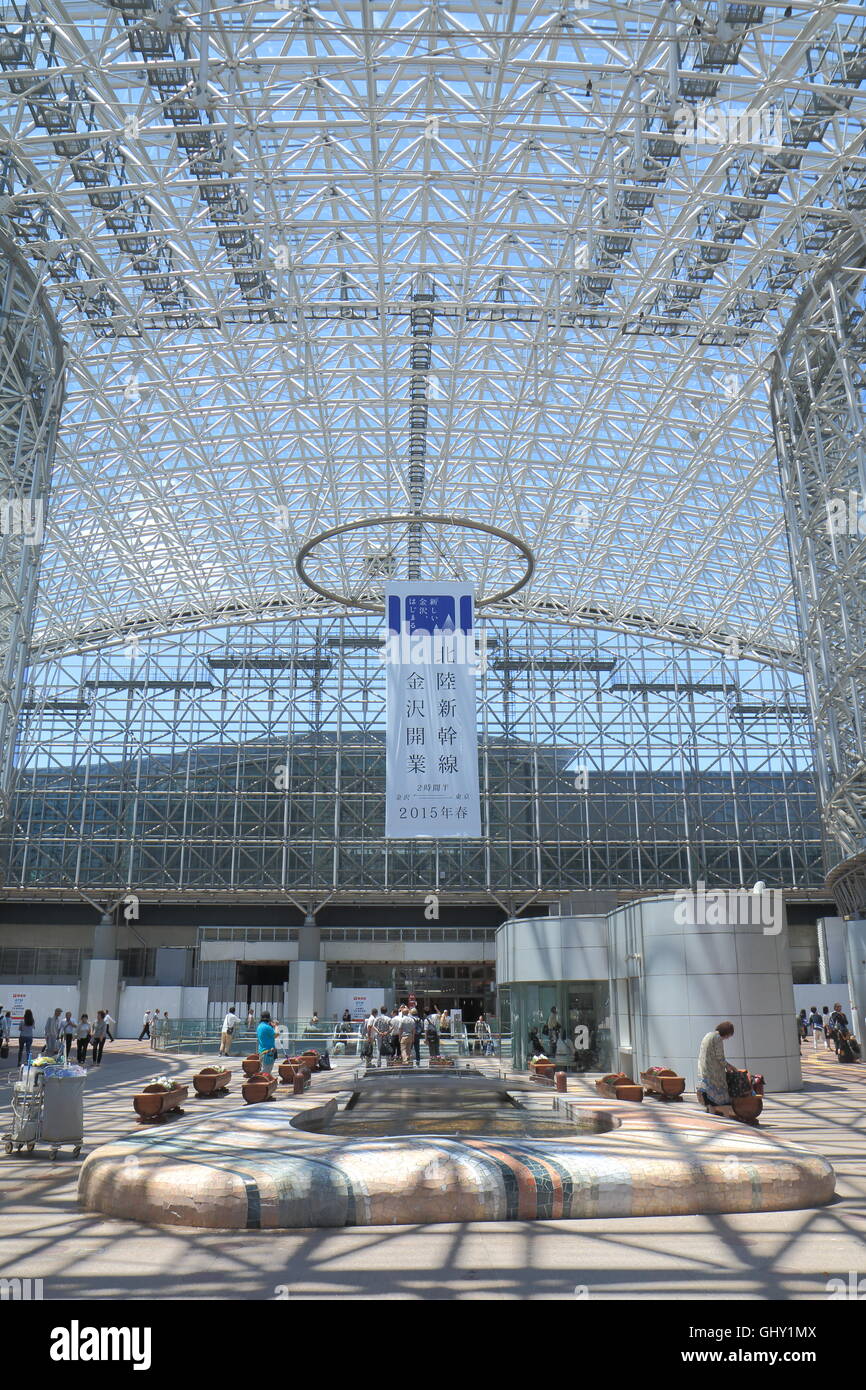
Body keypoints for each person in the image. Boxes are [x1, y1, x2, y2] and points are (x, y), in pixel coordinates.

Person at [696, 1021, 737, 1118]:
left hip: (703, 1068)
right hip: (713, 1071)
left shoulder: (708, 1035)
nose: (727, 1038)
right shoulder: (718, 1038)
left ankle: (711, 1110)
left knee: (707, 1090)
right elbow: (720, 1057)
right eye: (729, 1036)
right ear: (726, 1032)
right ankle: (725, 1113)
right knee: (718, 1090)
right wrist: (728, 1066)